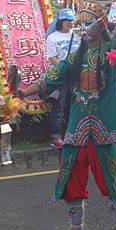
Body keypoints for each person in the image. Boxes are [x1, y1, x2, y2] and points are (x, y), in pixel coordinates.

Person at [19, 2, 116, 230]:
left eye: (88, 22)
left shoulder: (110, 50)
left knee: (112, 179)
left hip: (105, 124)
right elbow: (53, 76)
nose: (82, 27)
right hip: (78, 125)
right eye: (80, 22)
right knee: (71, 178)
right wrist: (25, 91)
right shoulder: (76, 56)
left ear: (101, 24)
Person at [45, 8, 79, 148]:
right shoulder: (53, 37)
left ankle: (74, 133)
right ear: (61, 22)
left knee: (76, 106)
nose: (70, 24)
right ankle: (56, 136)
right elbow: (53, 59)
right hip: (61, 77)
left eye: (72, 21)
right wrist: (66, 68)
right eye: (67, 21)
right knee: (59, 106)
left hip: (77, 77)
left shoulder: (77, 35)